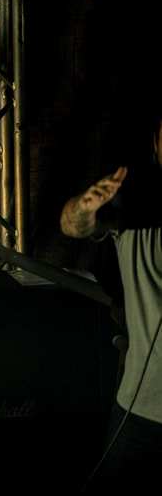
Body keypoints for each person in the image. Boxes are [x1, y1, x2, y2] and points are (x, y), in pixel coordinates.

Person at [60, 111, 162, 490]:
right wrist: (84, 208)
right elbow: (71, 224)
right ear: (157, 144)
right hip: (141, 409)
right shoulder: (134, 203)